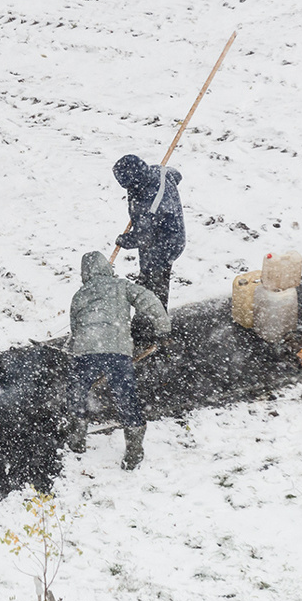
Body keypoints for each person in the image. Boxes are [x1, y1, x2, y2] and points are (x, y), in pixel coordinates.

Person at [65, 251, 171, 470]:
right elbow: (148, 300)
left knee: (77, 391)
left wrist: (77, 350)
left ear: (85, 272)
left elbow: (75, 328)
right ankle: (134, 451)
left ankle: (77, 440)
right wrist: (162, 327)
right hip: (117, 351)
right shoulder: (122, 286)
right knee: (126, 397)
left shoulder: (79, 294)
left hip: (86, 352)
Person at [112, 154, 185, 309]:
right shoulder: (159, 171)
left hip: (165, 244)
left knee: (157, 279)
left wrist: (123, 240)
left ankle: (155, 320)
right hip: (170, 233)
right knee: (150, 270)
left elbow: (143, 238)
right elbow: (176, 175)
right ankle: (147, 283)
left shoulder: (148, 204)